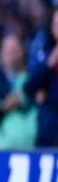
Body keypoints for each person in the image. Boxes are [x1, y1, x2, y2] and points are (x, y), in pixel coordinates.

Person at [0, 33, 37, 149]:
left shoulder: (36, 79)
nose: (12, 54)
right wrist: (3, 108)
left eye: (15, 49)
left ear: (23, 51)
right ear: (1, 54)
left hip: (35, 149)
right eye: (8, 50)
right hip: (2, 149)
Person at [24, 8, 58, 147]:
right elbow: (29, 89)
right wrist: (49, 64)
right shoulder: (43, 55)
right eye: (56, 25)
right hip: (50, 130)